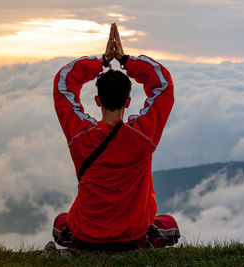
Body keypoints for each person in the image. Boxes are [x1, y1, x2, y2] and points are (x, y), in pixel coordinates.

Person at [52, 23, 180, 250]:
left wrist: (101, 61)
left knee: (62, 222)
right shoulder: (142, 137)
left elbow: (64, 82)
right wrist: (126, 60)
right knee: (169, 224)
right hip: (132, 236)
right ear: (128, 102)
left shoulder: (80, 136)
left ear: (98, 101)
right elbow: (163, 84)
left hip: (86, 234)